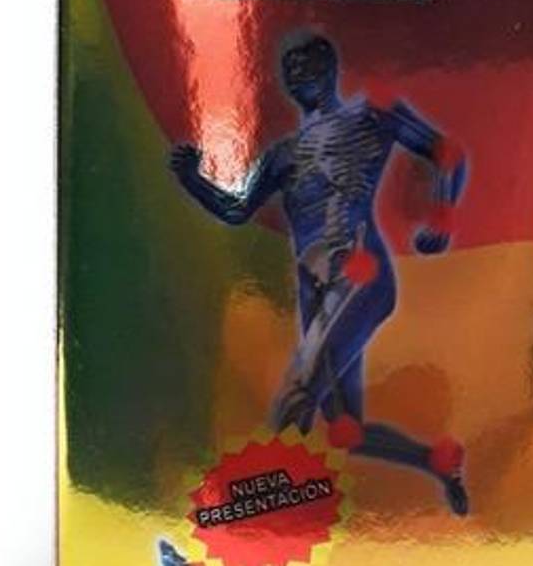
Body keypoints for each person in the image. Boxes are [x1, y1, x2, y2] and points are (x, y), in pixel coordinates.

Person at [170, 31, 470, 515]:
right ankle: (439, 462)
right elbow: (236, 209)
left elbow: (446, 154)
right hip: (314, 289)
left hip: (358, 270)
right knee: (346, 430)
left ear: (330, 68)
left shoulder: (370, 115)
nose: (298, 73)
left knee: (296, 395)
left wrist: (441, 219)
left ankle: (253, 528)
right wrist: (192, 180)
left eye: (308, 63)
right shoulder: (281, 156)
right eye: (291, 67)